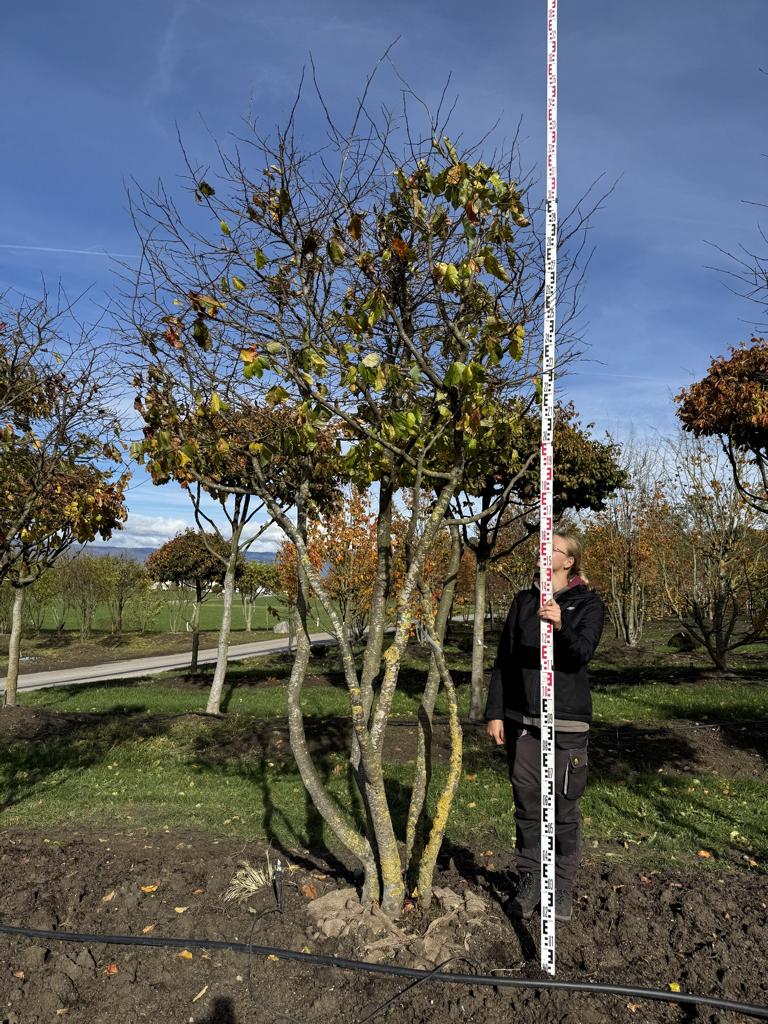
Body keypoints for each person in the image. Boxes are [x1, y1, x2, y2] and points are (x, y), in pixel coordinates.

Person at [485, 532, 604, 922]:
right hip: (523, 723)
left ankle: (562, 886)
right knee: (528, 804)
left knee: (564, 809)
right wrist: (496, 712)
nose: (542, 551)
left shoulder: (587, 603)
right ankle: (530, 879)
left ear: (568, 561)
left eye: (551, 547)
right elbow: (504, 660)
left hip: (567, 723)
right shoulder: (522, 602)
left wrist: (561, 628)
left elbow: (581, 654)